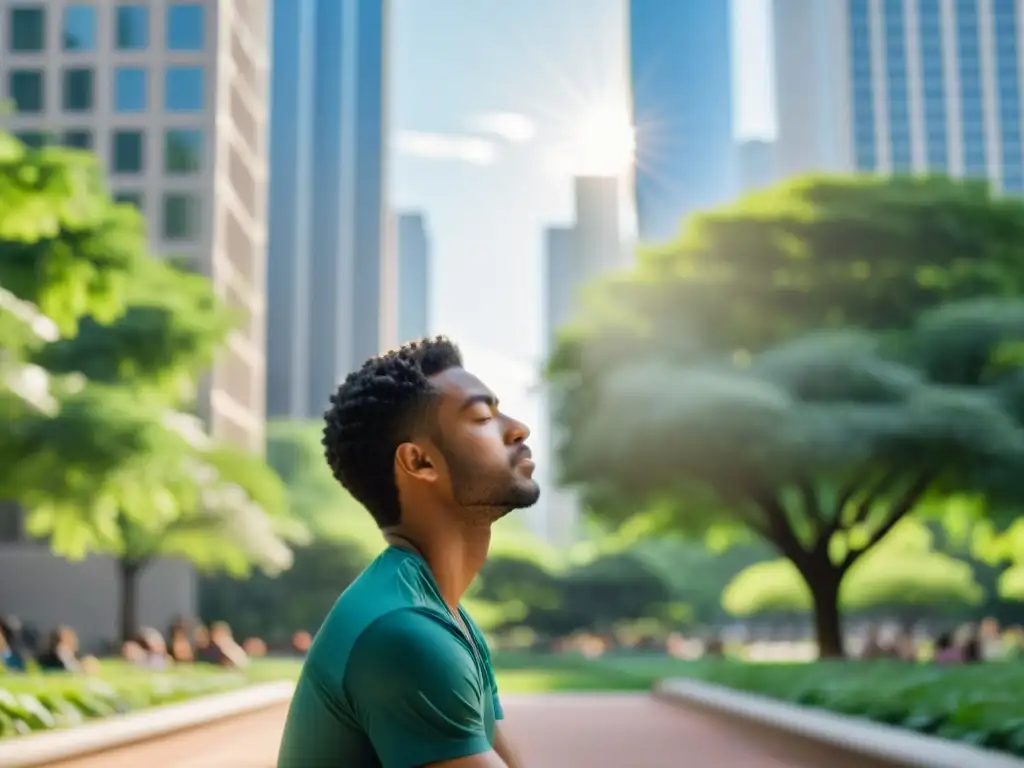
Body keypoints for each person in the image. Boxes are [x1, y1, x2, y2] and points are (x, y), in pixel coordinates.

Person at [277, 338, 536, 768]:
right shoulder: (404, 633)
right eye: (482, 416)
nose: (517, 427)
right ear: (420, 462)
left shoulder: (443, 614)